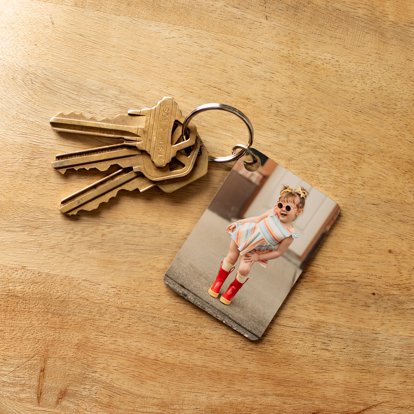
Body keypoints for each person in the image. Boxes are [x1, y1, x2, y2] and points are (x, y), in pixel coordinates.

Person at [208, 185, 308, 305]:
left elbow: (278, 252)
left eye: (288, 207)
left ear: (299, 211)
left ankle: (233, 288)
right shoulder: (273, 212)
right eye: (281, 205)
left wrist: (258, 258)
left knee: (244, 269)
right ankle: (218, 281)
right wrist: (239, 222)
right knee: (231, 257)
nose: (282, 209)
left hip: (255, 251)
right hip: (245, 234)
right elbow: (257, 219)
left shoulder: (289, 234)